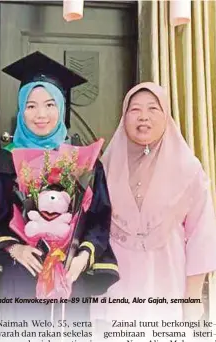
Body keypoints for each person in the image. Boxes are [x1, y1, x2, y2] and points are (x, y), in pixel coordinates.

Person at [0, 51, 119, 322]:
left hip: (71, 275)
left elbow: (99, 217)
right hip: (23, 276)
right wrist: (15, 248)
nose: (41, 115)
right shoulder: (7, 158)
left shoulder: (82, 161)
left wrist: (84, 254)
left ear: (61, 109)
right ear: (21, 110)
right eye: (31, 106)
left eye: (50, 105)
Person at [92, 82, 216, 322]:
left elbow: (203, 236)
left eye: (153, 109)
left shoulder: (188, 169)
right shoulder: (105, 167)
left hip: (167, 284)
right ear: (124, 116)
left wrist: (192, 297)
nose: (143, 117)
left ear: (166, 116)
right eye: (135, 109)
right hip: (114, 285)